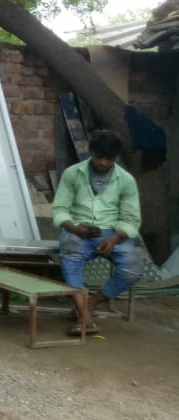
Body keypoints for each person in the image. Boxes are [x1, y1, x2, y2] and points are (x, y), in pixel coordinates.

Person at [54, 129, 143, 336]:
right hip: (78, 231)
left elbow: (131, 218)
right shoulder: (72, 174)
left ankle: (90, 303)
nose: (103, 162)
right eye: (99, 157)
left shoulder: (126, 180)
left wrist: (115, 237)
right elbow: (60, 209)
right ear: (90, 152)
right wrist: (74, 228)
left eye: (109, 159)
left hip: (113, 233)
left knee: (134, 267)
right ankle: (85, 318)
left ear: (116, 157)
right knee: (70, 254)